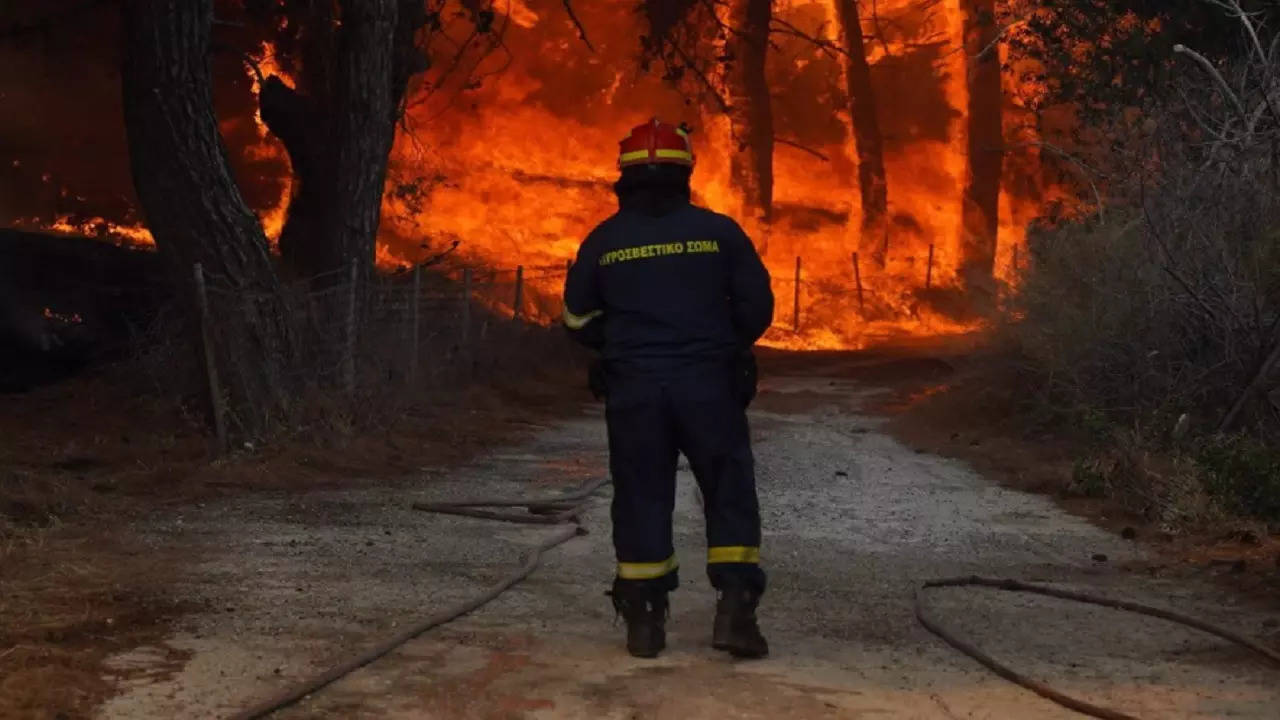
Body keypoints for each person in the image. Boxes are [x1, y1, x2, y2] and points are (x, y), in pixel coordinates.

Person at [561, 118, 775, 659]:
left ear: (624, 177)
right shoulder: (720, 233)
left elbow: (575, 318)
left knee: (640, 494)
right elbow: (757, 308)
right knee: (727, 488)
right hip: (709, 387)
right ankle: (735, 614)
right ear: (685, 174)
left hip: (635, 390)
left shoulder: (604, 241)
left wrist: (618, 347)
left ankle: (644, 623)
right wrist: (723, 345)